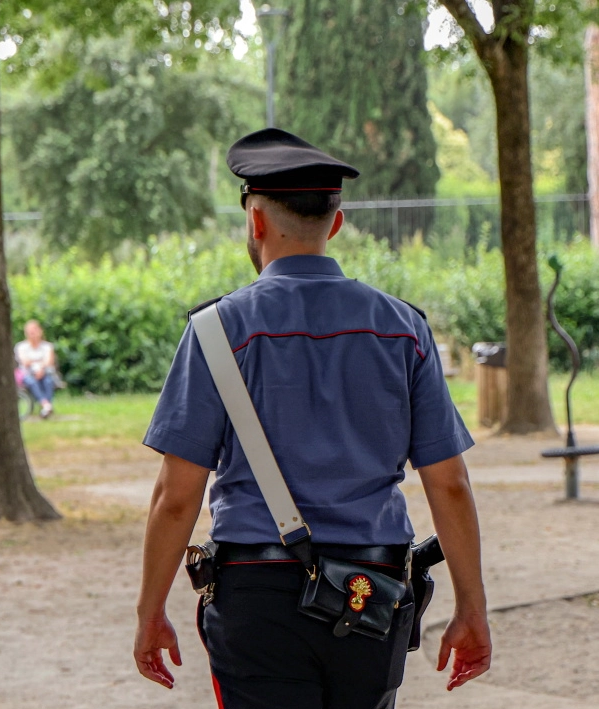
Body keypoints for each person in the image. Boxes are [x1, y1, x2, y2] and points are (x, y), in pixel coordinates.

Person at [133, 129, 491, 708]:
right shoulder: (404, 329)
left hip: (256, 594)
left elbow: (177, 498)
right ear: (337, 223)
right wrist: (472, 608)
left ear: (255, 221)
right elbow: (448, 482)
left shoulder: (214, 332)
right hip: (370, 594)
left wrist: (150, 611)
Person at [14, 320, 57, 418]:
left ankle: (45, 409)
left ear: (40, 331)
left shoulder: (47, 346)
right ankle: (46, 405)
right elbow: (24, 362)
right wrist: (39, 364)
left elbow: (49, 362)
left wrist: (40, 368)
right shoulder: (21, 346)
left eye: (34, 330)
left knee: (48, 381)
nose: (32, 333)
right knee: (31, 381)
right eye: (29, 331)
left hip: (45, 373)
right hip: (27, 374)